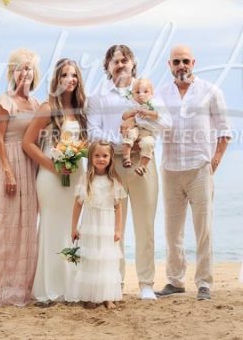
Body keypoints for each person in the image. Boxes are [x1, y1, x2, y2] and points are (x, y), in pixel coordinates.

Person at [86, 45, 171, 300]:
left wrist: (140, 121)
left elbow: (166, 123)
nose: (120, 65)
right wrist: (121, 137)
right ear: (108, 66)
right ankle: (116, 282)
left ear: (133, 62)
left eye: (124, 60)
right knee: (115, 227)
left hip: (143, 161)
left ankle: (146, 283)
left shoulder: (147, 90)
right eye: (115, 61)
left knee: (145, 225)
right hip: (114, 163)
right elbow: (92, 132)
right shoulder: (98, 96)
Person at [155, 45, 231, 301]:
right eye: (176, 62)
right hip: (170, 169)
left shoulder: (211, 91)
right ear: (169, 65)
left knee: (203, 229)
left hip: (199, 170)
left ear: (194, 62)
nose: (181, 66)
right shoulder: (160, 94)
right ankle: (175, 281)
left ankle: (204, 283)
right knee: (172, 230)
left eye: (185, 61)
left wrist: (215, 160)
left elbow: (224, 130)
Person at [0, 48, 41, 306]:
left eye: (29, 68)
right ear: (12, 72)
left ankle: (21, 286)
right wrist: (8, 172)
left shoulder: (35, 104)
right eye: (21, 68)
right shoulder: (4, 101)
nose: (25, 73)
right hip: (10, 163)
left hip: (30, 165)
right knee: (7, 225)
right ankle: (0, 287)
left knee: (26, 228)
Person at [23, 58, 88, 303]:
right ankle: (49, 289)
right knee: (52, 228)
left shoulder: (81, 110)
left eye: (73, 75)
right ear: (57, 80)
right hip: (51, 178)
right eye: (64, 75)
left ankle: (72, 286)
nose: (69, 80)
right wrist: (54, 167)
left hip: (76, 177)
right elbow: (28, 143)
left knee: (73, 230)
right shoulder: (48, 107)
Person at [66, 141, 127, 309]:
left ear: (111, 158)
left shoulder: (114, 180)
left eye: (105, 156)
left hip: (106, 225)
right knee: (91, 259)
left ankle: (107, 296)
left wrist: (118, 229)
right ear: (91, 157)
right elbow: (77, 205)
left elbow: (118, 207)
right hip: (90, 224)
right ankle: (91, 295)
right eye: (97, 155)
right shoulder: (86, 179)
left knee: (106, 259)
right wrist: (74, 227)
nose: (101, 159)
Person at [120, 77, 158, 170]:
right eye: (137, 92)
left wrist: (148, 112)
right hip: (136, 128)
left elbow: (157, 115)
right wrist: (133, 112)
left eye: (145, 92)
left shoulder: (153, 104)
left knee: (148, 143)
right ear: (132, 94)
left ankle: (143, 166)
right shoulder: (131, 104)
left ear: (152, 93)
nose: (141, 95)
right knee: (128, 134)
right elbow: (124, 116)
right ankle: (126, 157)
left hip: (147, 132)